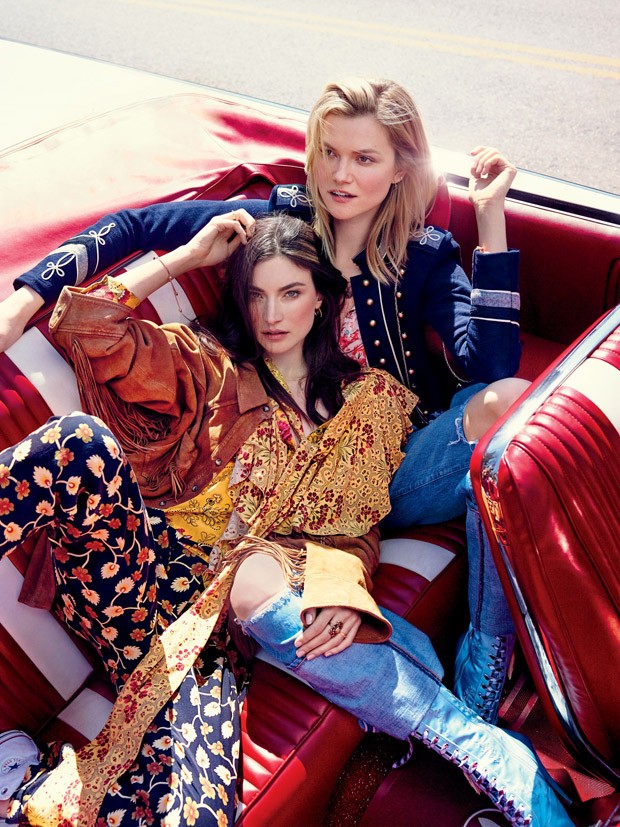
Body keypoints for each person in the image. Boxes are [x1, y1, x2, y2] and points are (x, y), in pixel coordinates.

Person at [0, 213, 570, 827]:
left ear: (322, 300)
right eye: (257, 295)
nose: (272, 315)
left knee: (201, 814)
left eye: (291, 293)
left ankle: (24, 792)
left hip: (209, 642)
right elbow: (87, 327)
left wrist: (341, 590)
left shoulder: (368, 401)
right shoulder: (208, 364)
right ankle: (483, 750)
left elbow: (353, 527)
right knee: (79, 445)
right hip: (132, 570)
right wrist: (185, 258)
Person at [1, 78, 523, 725]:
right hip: (291, 478)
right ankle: (433, 702)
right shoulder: (277, 223)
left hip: (397, 466)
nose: (340, 175)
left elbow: (489, 363)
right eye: (329, 152)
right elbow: (134, 226)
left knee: (507, 407)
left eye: (364, 158)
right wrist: (25, 298)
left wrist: (491, 216)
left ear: (399, 169)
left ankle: (486, 649)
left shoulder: (423, 255)